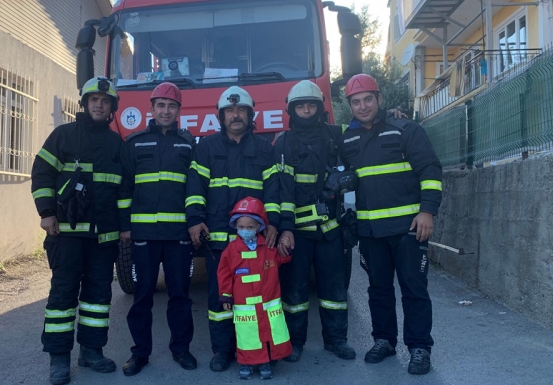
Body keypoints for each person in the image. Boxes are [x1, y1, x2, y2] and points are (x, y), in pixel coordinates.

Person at [338, 73, 442, 375]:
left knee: (414, 290)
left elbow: (431, 171)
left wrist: (428, 212)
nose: (363, 106)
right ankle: (383, 340)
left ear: (380, 99)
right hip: (370, 232)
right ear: (350, 106)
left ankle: (420, 347)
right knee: (378, 290)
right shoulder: (348, 139)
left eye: (368, 99)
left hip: (408, 229)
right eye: (355, 102)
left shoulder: (406, 129)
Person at [31, 76, 123, 385]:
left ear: (111, 107)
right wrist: (46, 213)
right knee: (63, 294)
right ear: (84, 103)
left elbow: (122, 190)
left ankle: (92, 352)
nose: (99, 104)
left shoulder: (115, 143)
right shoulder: (63, 135)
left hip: (104, 236)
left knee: (98, 297)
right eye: (94, 99)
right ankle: (58, 359)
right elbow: (42, 172)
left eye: (105, 100)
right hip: (67, 234)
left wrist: (123, 227)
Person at [185, 86, 280, 372]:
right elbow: (195, 188)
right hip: (219, 238)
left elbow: (273, 190)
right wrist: (194, 219)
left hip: (255, 241)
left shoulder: (265, 149)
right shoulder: (206, 147)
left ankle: (259, 351)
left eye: (240, 111)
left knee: (259, 298)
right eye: (229, 111)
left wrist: (274, 223)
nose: (235, 115)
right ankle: (222, 351)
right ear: (221, 116)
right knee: (220, 298)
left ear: (251, 115)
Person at [274, 80, 357, 363]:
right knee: (294, 294)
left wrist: (392, 115)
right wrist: (285, 229)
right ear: (292, 110)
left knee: (334, 291)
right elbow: (283, 189)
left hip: (331, 230)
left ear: (320, 108)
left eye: (311, 105)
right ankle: (294, 343)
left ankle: (337, 341)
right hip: (297, 232)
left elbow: (368, 137)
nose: (306, 111)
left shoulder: (337, 134)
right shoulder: (282, 142)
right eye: (301, 106)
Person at [118, 82, 197, 376]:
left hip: (178, 237)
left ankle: (181, 349)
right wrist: (125, 226)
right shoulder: (134, 143)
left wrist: (193, 225)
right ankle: (140, 354)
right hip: (143, 237)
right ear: (151, 109)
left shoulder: (188, 144)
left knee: (180, 296)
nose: (166, 110)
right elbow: (124, 187)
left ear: (178, 110)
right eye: (161, 105)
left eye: (172, 105)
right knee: (142, 297)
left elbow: (194, 188)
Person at [217, 197, 292, 380]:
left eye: (250, 227)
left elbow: (280, 258)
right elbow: (224, 273)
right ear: (236, 226)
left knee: (268, 333)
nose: (245, 231)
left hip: (267, 304)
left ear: (259, 227)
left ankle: (266, 361)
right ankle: (246, 363)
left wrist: (287, 249)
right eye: (241, 227)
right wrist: (226, 295)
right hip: (245, 306)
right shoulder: (231, 249)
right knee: (247, 336)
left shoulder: (267, 247)